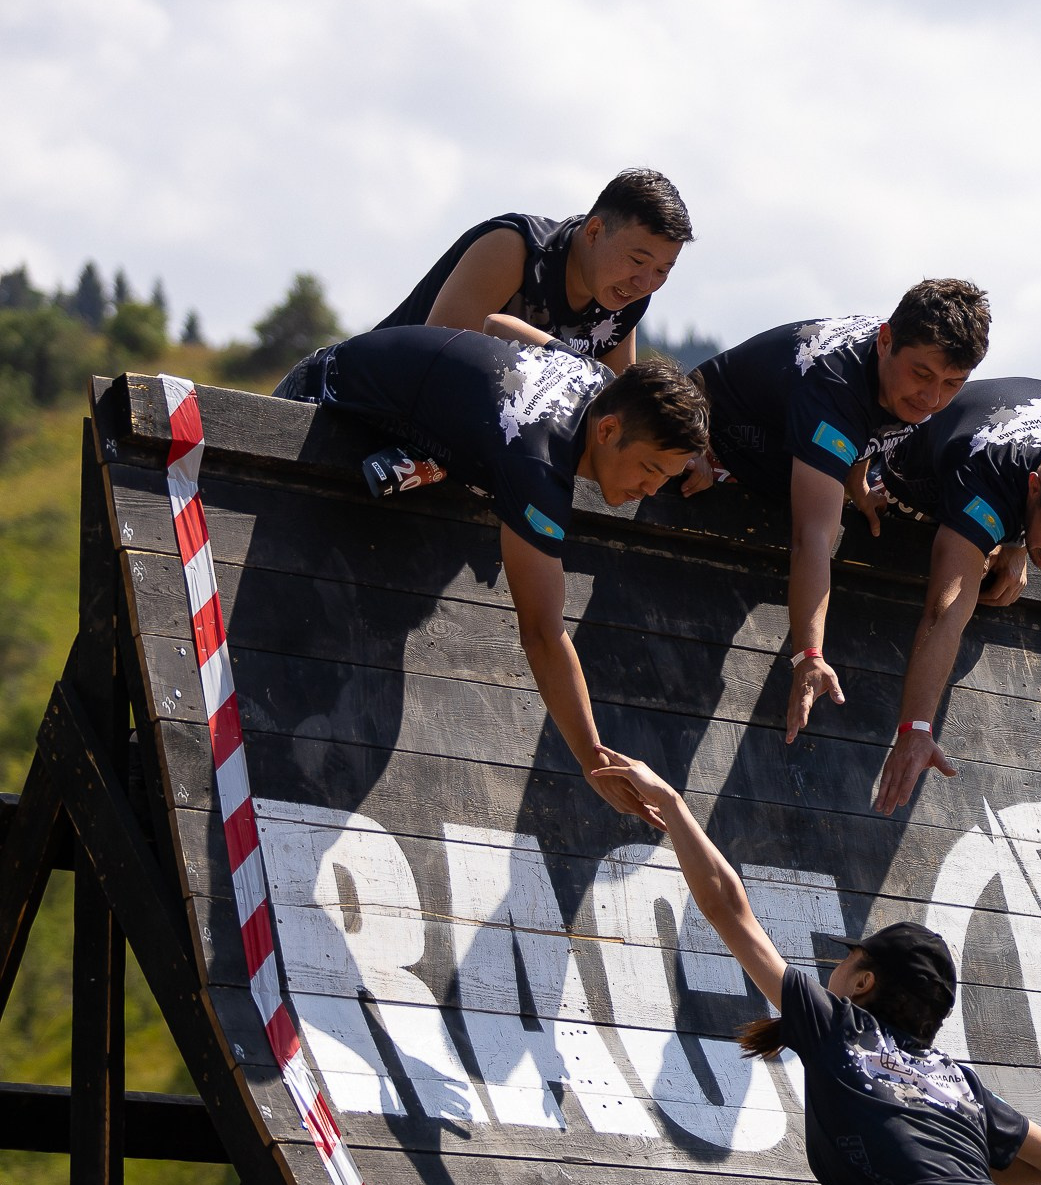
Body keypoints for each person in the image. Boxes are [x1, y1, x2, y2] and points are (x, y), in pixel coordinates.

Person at [590, 754, 1041, 1185]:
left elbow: (729, 908)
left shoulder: (839, 1028)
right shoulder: (953, 1082)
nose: (834, 969)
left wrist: (673, 807)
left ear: (863, 984)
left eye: (848, 961)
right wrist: (955, 1165)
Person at [278, 323, 710, 823]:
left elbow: (497, 326)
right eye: (650, 470)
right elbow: (543, 634)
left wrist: (458, 410)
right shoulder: (537, 464)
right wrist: (593, 757)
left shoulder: (598, 381)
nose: (651, 490)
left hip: (366, 381)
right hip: (324, 395)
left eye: (664, 478)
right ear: (609, 431)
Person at [676, 281, 991, 744]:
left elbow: (876, 419)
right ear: (885, 340)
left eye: (952, 385)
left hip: (773, 464)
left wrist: (857, 479)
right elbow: (813, 536)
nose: (932, 399)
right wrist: (808, 654)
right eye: (922, 375)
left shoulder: (898, 375)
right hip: (697, 449)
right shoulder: (834, 386)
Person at [852, 378, 1041, 814]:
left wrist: (1019, 540)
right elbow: (945, 612)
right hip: (900, 478)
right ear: (1034, 489)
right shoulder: (988, 471)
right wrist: (916, 727)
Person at [374, 167, 692, 374]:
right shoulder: (515, 248)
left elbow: (611, 403)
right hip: (360, 393)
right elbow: (435, 362)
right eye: (637, 261)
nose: (645, 282)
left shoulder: (626, 295)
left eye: (664, 270)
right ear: (594, 232)